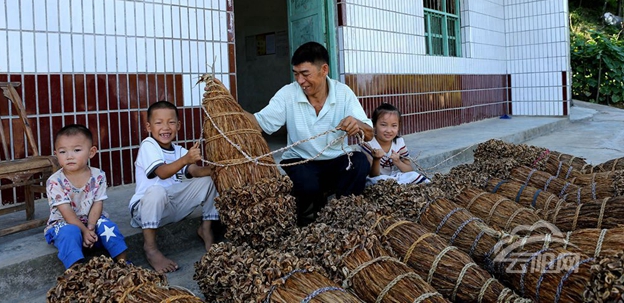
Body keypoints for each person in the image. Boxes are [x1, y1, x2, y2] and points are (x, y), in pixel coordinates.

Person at [246, 41, 373, 225]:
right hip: (300, 160)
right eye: (296, 74)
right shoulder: (288, 94)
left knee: (360, 163)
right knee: (307, 184)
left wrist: (357, 125)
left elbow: (369, 134)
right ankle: (307, 223)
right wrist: (230, 108)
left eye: (305, 74)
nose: (300, 81)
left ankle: (345, 213)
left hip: (335, 159)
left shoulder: (343, 92)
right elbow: (259, 123)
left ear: (324, 69)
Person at [129, 101, 219, 273]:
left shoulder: (178, 150)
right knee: (156, 191)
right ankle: (151, 248)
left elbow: (195, 171)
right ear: (149, 126)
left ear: (178, 126)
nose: (165, 127)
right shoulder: (148, 145)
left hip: (172, 209)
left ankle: (205, 228)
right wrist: (186, 159)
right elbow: (162, 172)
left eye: (171, 122)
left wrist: (216, 168)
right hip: (144, 211)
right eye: (158, 122)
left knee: (208, 180)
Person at [44, 124, 128, 269]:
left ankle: (123, 263)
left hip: (91, 223)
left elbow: (97, 203)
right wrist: (83, 231)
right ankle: (76, 272)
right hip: (63, 225)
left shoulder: (98, 175)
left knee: (108, 226)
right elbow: (66, 212)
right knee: (70, 232)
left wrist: (90, 227)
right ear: (56, 154)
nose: (69, 156)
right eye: (63, 152)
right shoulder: (54, 181)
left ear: (91, 152)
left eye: (76, 150)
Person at [361, 103, 429, 185]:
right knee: (379, 180)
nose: (389, 130)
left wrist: (398, 162)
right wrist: (376, 159)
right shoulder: (368, 144)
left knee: (413, 175)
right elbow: (373, 175)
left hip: (392, 177)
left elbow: (409, 169)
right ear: (374, 125)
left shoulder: (399, 142)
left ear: (399, 126)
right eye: (383, 125)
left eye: (394, 126)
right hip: (376, 179)